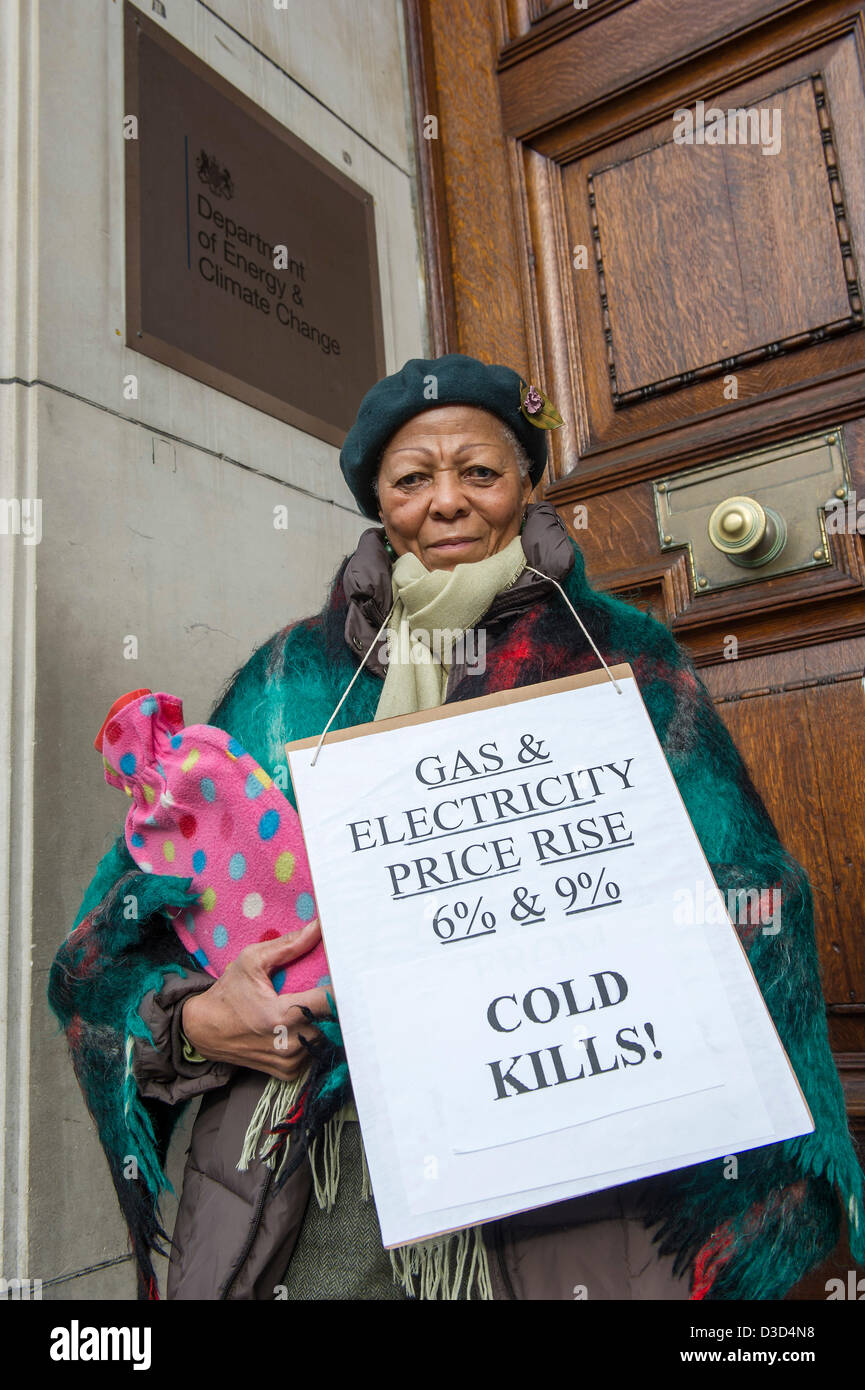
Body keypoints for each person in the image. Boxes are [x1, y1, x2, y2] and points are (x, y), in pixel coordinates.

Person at [48, 352, 865, 1301]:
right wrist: (194, 1025)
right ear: (378, 502)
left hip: (582, 1176)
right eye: (412, 479)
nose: (446, 502)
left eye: (479, 472)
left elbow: (754, 895)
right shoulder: (287, 680)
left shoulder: (623, 659)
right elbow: (118, 932)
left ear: (524, 484)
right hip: (317, 1176)